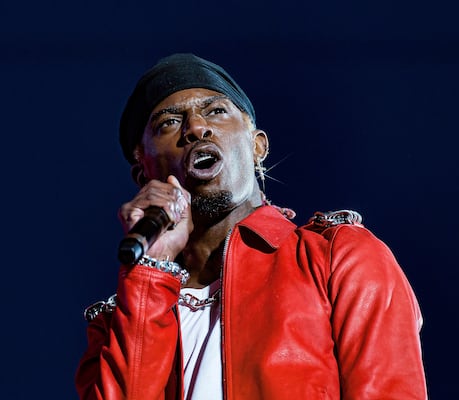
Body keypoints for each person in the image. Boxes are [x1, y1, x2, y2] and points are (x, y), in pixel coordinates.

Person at [75, 53, 428, 399]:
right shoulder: (119, 325)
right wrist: (151, 273)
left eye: (216, 111)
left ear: (257, 146)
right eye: (169, 122)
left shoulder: (339, 259)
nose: (196, 127)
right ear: (144, 175)